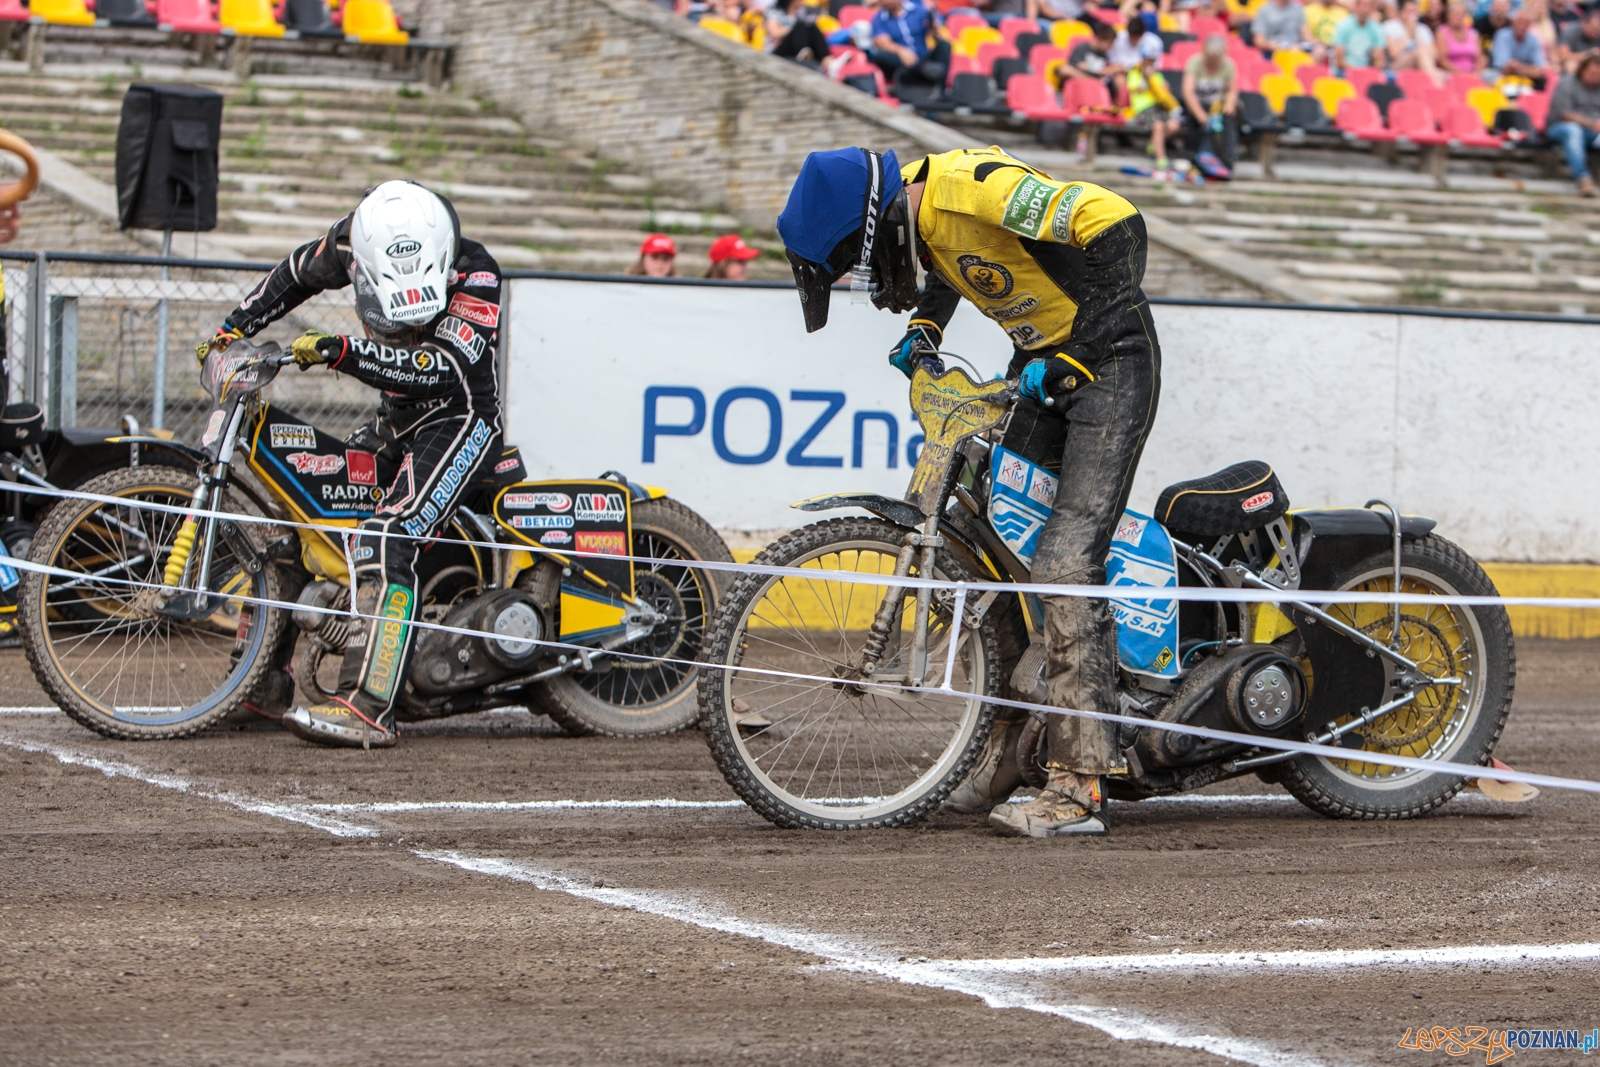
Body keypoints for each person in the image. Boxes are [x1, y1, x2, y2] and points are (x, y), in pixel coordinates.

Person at [776, 146, 1160, 838]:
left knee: (1065, 562)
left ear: (881, 220)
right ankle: (1013, 752)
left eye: (863, 261)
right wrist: (927, 322)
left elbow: (1118, 223)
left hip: (1110, 364)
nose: (873, 278)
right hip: (1044, 364)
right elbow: (958, 259)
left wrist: (1084, 349)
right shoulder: (926, 217)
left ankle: (1081, 783)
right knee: (993, 549)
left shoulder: (971, 188)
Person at [198, 180, 503, 748]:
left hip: (460, 421)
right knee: (297, 520)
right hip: (394, 420)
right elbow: (291, 275)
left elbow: (440, 369)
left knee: (385, 535)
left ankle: (368, 707)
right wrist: (232, 330)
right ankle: (260, 686)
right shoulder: (346, 242)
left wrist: (345, 351)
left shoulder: (478, 272)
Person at [1182, 34, 1240, 167]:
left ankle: (1228, 158)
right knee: (1194, 119)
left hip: (1217, 105)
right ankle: (1191, 154)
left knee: (1229, 118)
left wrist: (1229, 104)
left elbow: (1232, 90)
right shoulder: (1194, 63)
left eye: (1216, 60)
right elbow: (1188, 92)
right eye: (1210, 59)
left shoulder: (1228, 65)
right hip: (1198, 103)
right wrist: (1200, 114)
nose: (1212, 63)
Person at [1545, 52, 1600, 193]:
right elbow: (1565, 114)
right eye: (1593, 72)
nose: (1596, 77)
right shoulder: (1566, 84)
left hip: (1592, 132)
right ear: (1582, 69)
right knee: (1572, 130)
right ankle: (1582, 178)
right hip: (1559, 128)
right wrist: (1592, 124)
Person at [869, 0, 951, 89]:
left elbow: (933, 33)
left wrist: (935, 29)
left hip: (923, 55)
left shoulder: (919, 11)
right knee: (880, 55)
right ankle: (923, 69)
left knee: (944, 45)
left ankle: (940, 90)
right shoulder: (879, 19)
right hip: (902, 60)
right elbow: (881, 42)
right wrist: (900, 50)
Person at [1125, 57, 1183, 168]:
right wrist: (1147, 78)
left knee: (1173, 125)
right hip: (1143, 107)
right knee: (1158, 125)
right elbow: (1135, 89)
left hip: (1160, 107)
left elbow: (1163, 93)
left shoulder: (1158, 75)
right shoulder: (1135, 73)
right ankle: (1161, 159)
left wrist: (1165, 87)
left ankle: (1153, 143)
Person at [1491, 7, 1549, 84]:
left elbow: (1540, 71)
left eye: (1526, 22)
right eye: (1519, 21)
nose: (1522, 26)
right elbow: (1505, 68)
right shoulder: (1502, 35)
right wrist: (1530, 70)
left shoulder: (1533, 39)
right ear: (1512, 23)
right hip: (1501, 79)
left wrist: (1517, 67)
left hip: (1526, 81)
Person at [1062, 21, 1124, 86]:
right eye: (1109, 43)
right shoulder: (1082, 48)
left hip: (1094, 84)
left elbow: (1101, 73)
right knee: (1065, 69)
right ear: (1101, 39)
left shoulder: (1104, 55)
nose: (1110, 47)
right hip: (1078, 81)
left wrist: (1110, 70)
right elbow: (1073, 67)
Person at [1386, 0, 1441, 71]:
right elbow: (1394, 53)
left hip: (1422, 65)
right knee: (1420, 52)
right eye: (1409, 11)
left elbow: (1435, 55)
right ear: (1401, 11)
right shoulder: (1391, 26)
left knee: (1422, 53)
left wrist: (1415, 35)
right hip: (1397, 65)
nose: (1412, 15)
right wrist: (1408, 33)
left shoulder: (1423, 29)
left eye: (1415, 12)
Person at [1333, 0, 1391, 67]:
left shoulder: (1377, 28)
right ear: (1356, 5)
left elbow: (1380, 61)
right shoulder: (1343, 25)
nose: (1365, 9)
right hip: (1344, 73)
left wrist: (1368, 71)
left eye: (1369, 6)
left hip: (1366, 71)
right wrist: (1357, 72)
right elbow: (1339, 61)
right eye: (1362, 5)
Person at [1436, 0, 1485, 69]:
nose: (1457, 17)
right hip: (1451, 72)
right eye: (1454, 14)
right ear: (1448, 15)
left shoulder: (1473, 33)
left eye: (1460, 14)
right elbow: (1442, 60)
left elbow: (1481, 57)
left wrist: (1477, 72)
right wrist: (1461, 74)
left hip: (1474, 72)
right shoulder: (1441, 32)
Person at [1558, 2, 1600, 71]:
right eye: (1593, 29)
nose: (1595, 33)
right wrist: (1589, 55)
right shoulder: (1570, 30)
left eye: (1598, 31)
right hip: (1575, 63)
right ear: (1584, 23)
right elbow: (1563, 56)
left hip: (1595, 64)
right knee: (1571, 65)